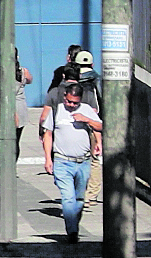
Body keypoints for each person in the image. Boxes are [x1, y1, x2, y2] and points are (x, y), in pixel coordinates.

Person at [41, 83, 106, 243]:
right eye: (69, 101)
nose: (71, 105)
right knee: (68, 198)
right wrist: (48, 158)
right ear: (65, 97)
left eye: (75, 103)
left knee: (79, 199)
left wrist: (87, 120)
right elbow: (47, 134)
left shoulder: (86, 110)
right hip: (62, 161)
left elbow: (101, 126)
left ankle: (73, 224)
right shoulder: (56, 111)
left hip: (83, 161)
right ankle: (72, 231)